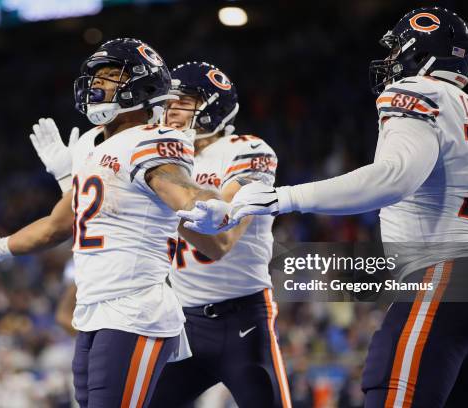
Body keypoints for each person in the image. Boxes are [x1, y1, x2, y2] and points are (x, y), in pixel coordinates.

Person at [180, 7, 468, 407]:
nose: (393, 60)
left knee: (387, 388)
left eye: (398, 49)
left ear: (422, 51)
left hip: (442, 278)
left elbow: (395, 177)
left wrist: (285, 197)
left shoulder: (416, 92)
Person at [0, 38, 225, 408]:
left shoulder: (152, 140)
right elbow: (60, 223)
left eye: (109, 76)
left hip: (135, 309)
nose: (96, 85)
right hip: (93, 309)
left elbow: (180, 189)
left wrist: (208, 206)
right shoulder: (93, 144)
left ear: (142, 83)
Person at [33, 61, 291, 408]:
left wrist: (160, 198)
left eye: (183, 100)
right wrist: (71, 177)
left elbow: (221, 239)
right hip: (183, 322)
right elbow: (100, 217)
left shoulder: (246, 150)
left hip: (243, 319)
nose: (170, 108)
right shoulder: (152, 152)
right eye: (168, 99)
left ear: (214, 106)